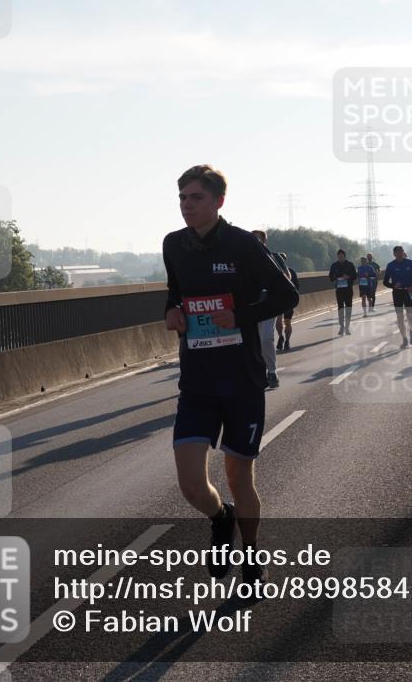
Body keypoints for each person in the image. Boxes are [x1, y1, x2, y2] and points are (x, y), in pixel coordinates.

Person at [164, 165, 298, 586]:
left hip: (241, 380)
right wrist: (170, 311)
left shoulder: (242, 245)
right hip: (198, 381)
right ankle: (220, 518)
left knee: (239, 476)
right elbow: (175, 290)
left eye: (196, 198)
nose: (187, 205)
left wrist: (238, 317)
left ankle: (251, 556)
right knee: (190, 484)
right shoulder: (173, 245)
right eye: (182, 197)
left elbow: (286, 293)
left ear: (218, 201)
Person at [251, 230, 287, 389]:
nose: (255, 243)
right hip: (249, 307)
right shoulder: (242, 260)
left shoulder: (275, 257)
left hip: (268, 306)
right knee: (253, 342)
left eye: (258, 240)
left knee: (266, 338)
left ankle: (272, 372)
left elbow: (287, 278)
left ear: (264, 242)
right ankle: (258, 372)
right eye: (252, 240)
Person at [383, 246, 412, 348]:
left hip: (408, 292)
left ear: (403, 252)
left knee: (410, 315)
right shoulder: (390, 265)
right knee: (400, 317)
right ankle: (404, 338)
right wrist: (393, 286)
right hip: (397, 293)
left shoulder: (410, 263)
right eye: (397, 252)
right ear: (394, 254)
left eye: (401, 252)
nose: (400, 254)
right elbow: (385, 282)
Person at [328, 249, 357, 335]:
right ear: (337, 256)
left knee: (348, 308)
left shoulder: (350, 264)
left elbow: (355, 276)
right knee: (340, 308)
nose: (340, 257)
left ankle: (347, 327)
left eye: (342, 256)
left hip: (348, 290)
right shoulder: (334, 265)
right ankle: (341, 326)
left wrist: (348, 277)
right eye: (339, 256)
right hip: (339, 290)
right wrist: (335, 277)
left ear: (344, 256)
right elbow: (330, 277)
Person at [275, 253, 299, 352]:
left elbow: (297, 286)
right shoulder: (274, 271)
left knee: (287, 322)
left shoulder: (291, 272)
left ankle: (287, 341)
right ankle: (281, 337)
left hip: (288, 301)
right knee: (279, 321)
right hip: (279, 301)